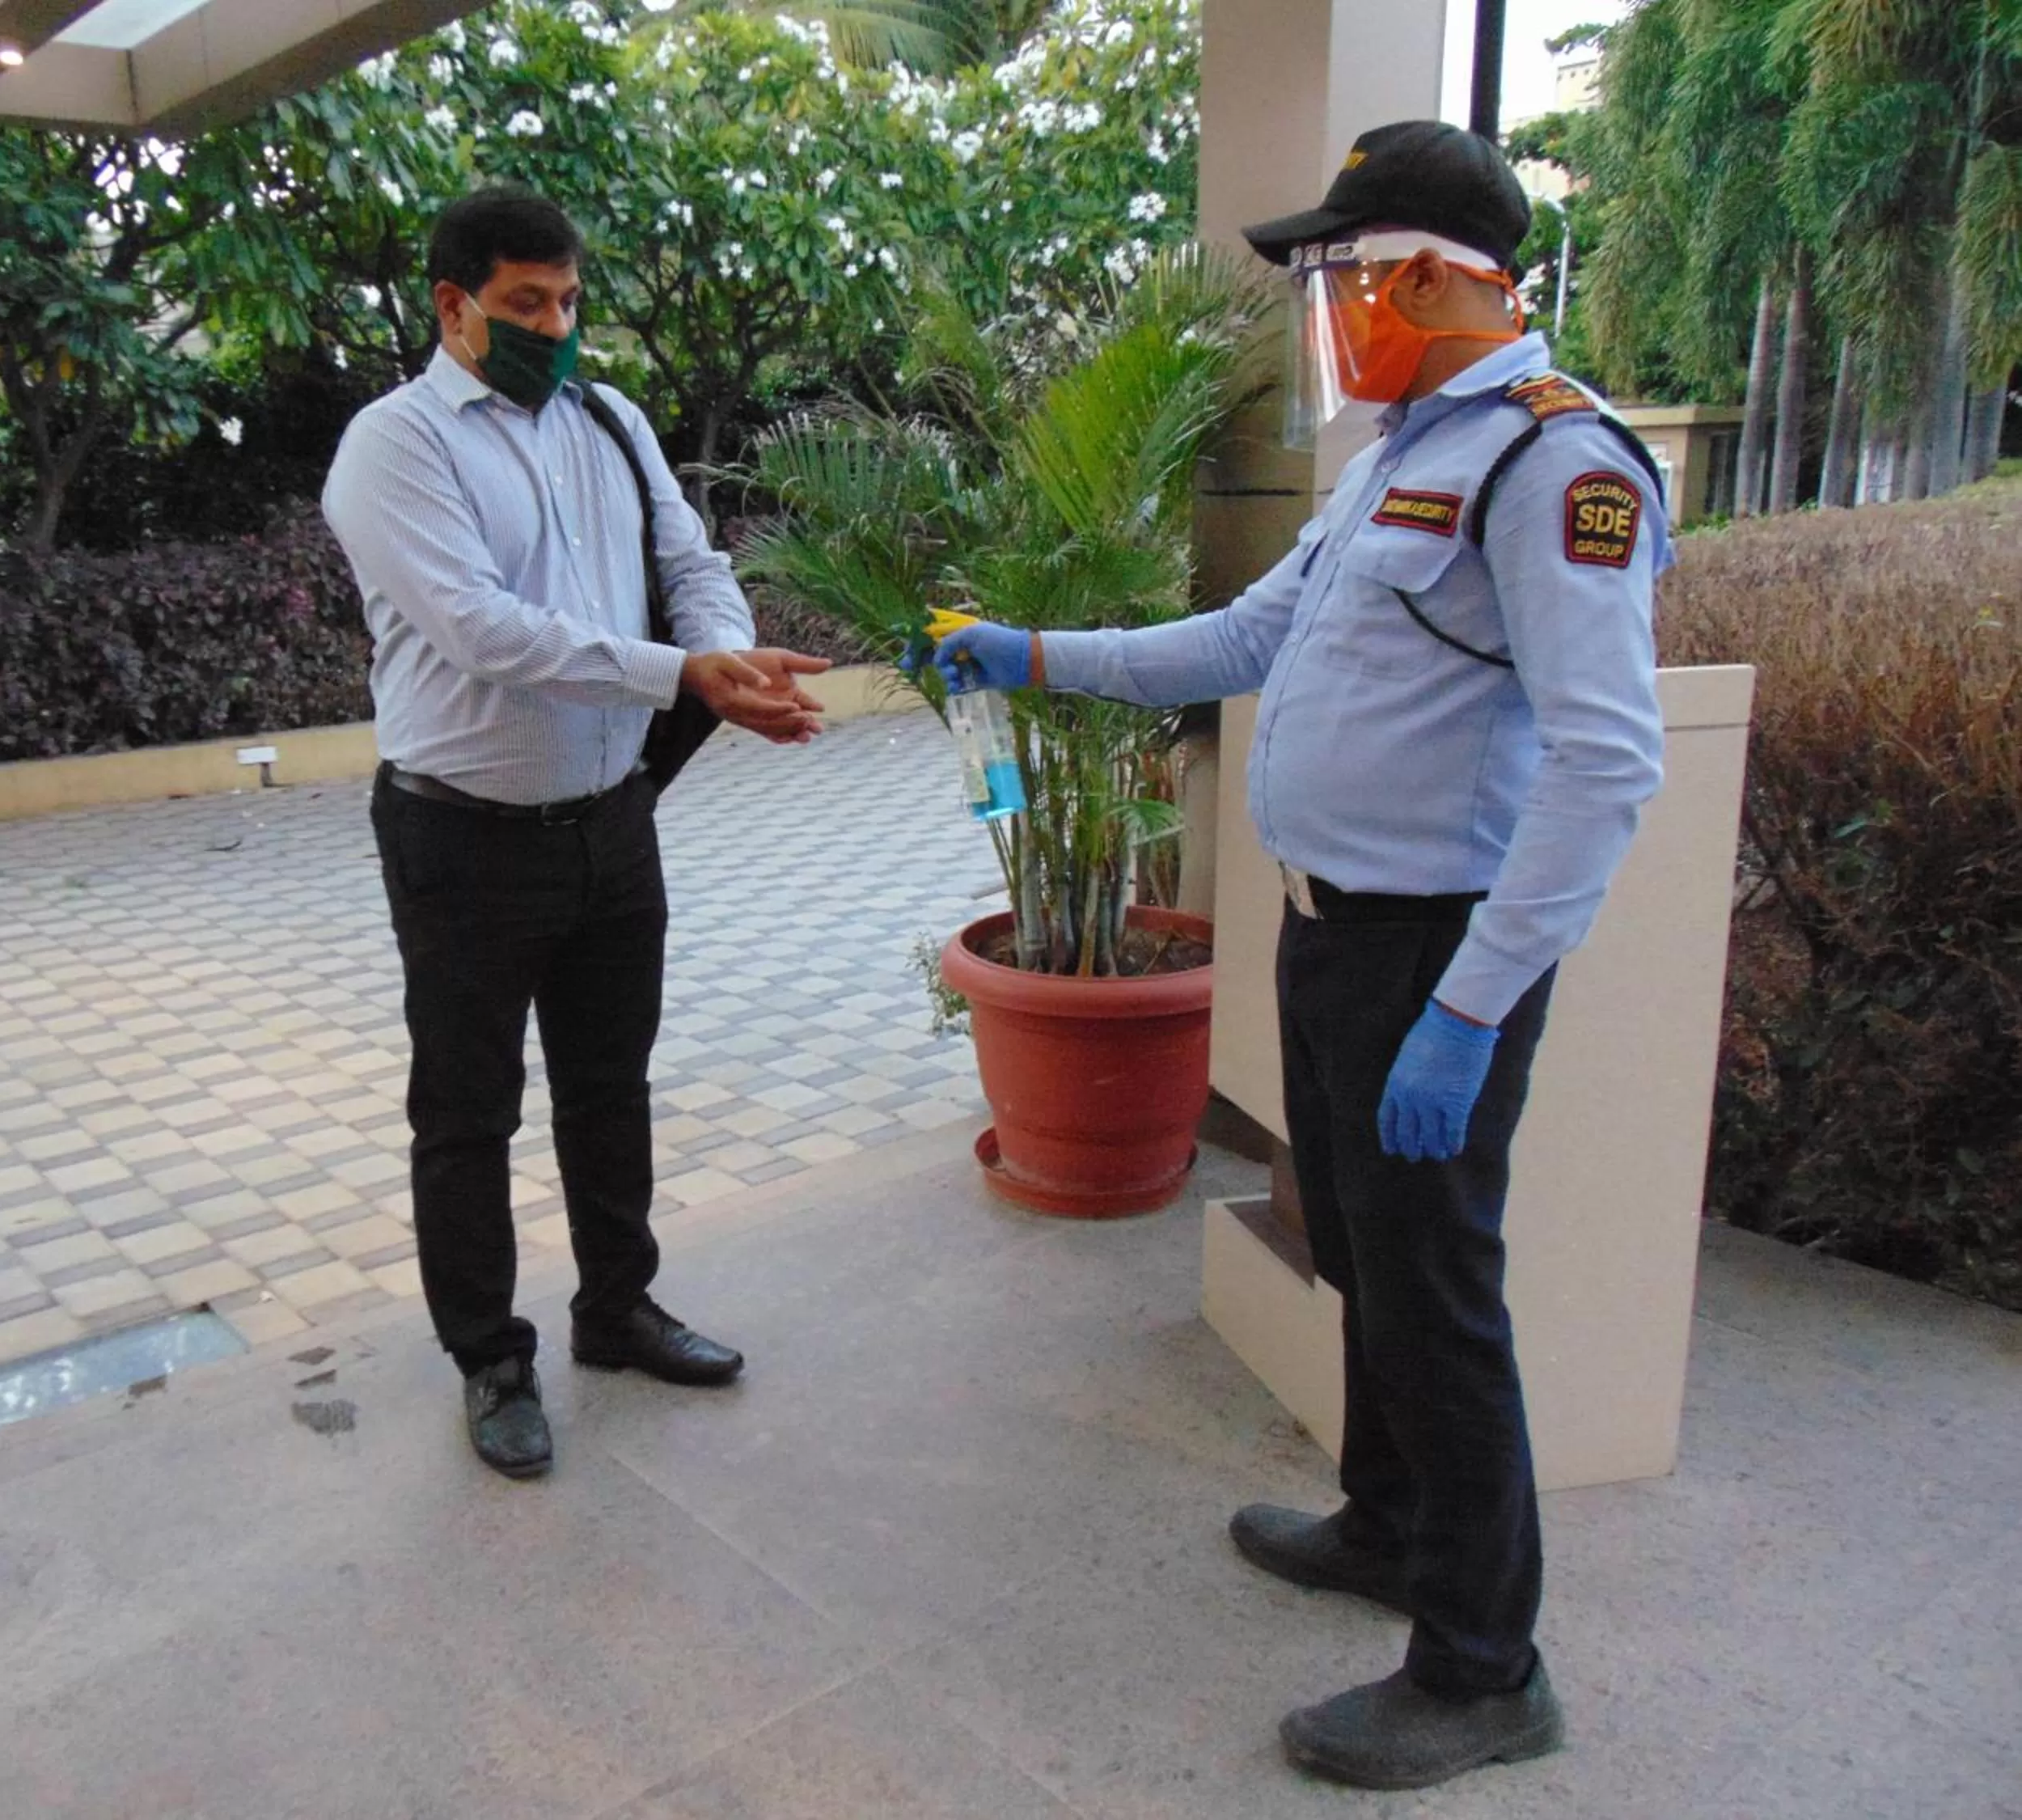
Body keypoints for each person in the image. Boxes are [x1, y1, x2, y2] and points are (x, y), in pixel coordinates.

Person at [925, 121, 1670, 1790]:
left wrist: (1473, 1010)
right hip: (1335, 936)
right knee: (1366, 1259)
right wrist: (1032, 649)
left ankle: (1487, 1669)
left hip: (1436, 960)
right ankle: (1391, 1525)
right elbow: (1250, 639)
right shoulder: (1398, 449)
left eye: (1340, 272)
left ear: (1430, 275)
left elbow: (1607, 762)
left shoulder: (1561, 466)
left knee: (1438, 1294)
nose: (1324, 305)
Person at [322, 188, 831, 1480]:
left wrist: (722, 649)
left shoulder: (611, 419)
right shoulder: (396, 448)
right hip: (463, 840)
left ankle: (617, 1307)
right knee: (468, 1109)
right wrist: (684, 678)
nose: (556, 325)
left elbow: (690, 558)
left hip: (612, 823)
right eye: (525, 305)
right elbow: (485, 630)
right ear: (453, 307)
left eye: (568, 300)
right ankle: (492, 1355)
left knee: (611, 1084)